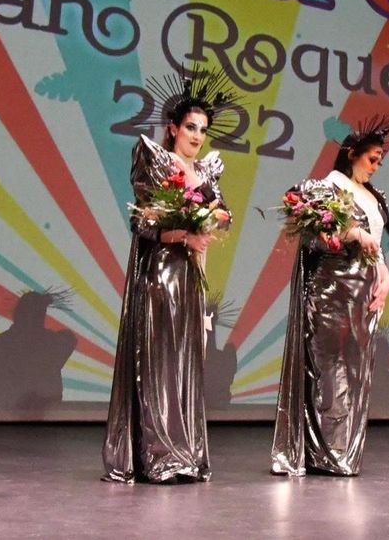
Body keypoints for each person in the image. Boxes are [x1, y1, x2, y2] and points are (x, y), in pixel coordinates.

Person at [102, 69, 236, 483]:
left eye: (203, 130)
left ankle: (185, 452)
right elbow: (143, 225)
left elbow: (224, 217)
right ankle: (160, 454)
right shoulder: (158, 164)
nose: (197, 136)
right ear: (173, 128)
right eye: (191, 127)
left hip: (191, 276)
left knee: (184, 361)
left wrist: (215, 218)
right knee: (160, 360)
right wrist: (183, 233)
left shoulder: (206, 175)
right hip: (163, 273)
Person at [270, 118, 389, 476]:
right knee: (331, 371)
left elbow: (377, 248)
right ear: (351, 154)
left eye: (379, 162)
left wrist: (385, 277)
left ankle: (343, 450)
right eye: (371, 159)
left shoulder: (374, 197)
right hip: (331, 289)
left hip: (363, 294)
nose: (375, 167)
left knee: (357, 374)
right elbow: (315, 229)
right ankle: (327, 452)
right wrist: (352, 232)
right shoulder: (330, 187)